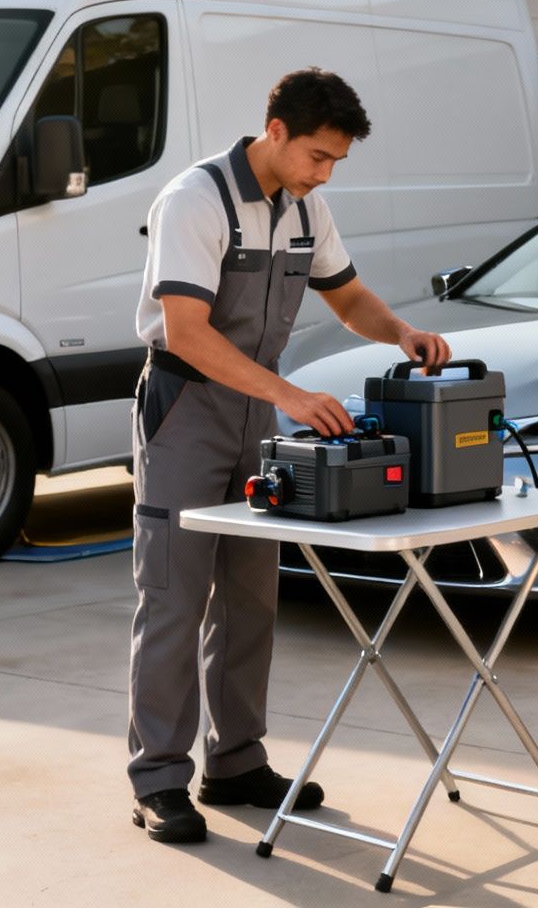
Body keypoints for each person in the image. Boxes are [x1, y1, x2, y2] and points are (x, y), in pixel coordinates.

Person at [126, 67, 452, 845]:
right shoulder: (195, 200)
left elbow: (346, 297)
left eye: (335, 160)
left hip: (252, 417)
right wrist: (289, 396)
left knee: (250, 598)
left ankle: (236, 762)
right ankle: (158, 780)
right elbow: (186, 332)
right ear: (274, 133)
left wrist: (400, 331)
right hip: (185, 413)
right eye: (316, 155)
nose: (323, 172)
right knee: (174, 596)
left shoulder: (305, 207)